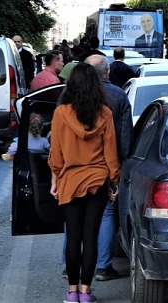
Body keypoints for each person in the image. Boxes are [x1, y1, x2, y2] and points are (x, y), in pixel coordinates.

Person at [48, 63, 120, 303]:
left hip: (70, 180)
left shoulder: (61, 114)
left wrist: (55, 178)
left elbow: (56, 153)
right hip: (97, 180)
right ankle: (86, 292)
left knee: (73, 237)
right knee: (91, 237)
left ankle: (72, 292)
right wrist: (114, 180)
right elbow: (111, 153)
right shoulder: (105, 114)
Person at [84, 54, 133, 282]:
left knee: (72, 215)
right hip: (105, 162)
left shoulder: (69, 95)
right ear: (107, 72)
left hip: (74, 165)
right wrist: (121, 164)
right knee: (106, 212)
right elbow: (124, 134)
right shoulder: (118, 94)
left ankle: (69, 265)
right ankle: (103, 266)